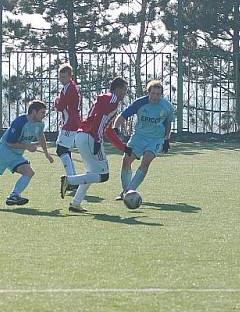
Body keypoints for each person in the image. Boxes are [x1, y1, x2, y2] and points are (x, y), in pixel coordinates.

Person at [60, 78, 128, 212]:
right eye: (124, 90)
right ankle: (69, 181)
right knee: (103, 175)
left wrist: (123, 147)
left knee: (91, 172)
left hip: (83, 136)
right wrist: (97, 140)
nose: (125, 93)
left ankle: (76, 203)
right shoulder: (112, 100)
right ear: (117, 89)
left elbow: (107, 129)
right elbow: (100, 119)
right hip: (90, 137)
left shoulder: (107, 99)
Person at [113, 79, 174, 199]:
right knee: (126, 161)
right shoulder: (139, 103)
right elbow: (123, 116)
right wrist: (115, 128)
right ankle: (126, 191)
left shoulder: (167, 107)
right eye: (153, 93)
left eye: (158, 94)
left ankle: (130, 191)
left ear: (161, 95)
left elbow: (168, 124)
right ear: (148, 93)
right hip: (138, 137)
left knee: (146, 162)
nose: (155, 97)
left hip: (155, 139)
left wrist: (167, 139)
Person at [54, 63, 81, 194]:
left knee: (61, 150)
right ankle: (73, 180)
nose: (61, 79)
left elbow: (60, 106)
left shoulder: (69, 88)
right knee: (66, 151)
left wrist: (57, 101)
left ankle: (71, 181)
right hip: (70, 121)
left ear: (70, 76)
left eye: (64, 77)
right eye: (60, 76)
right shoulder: (69, 87)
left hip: (70, 123)